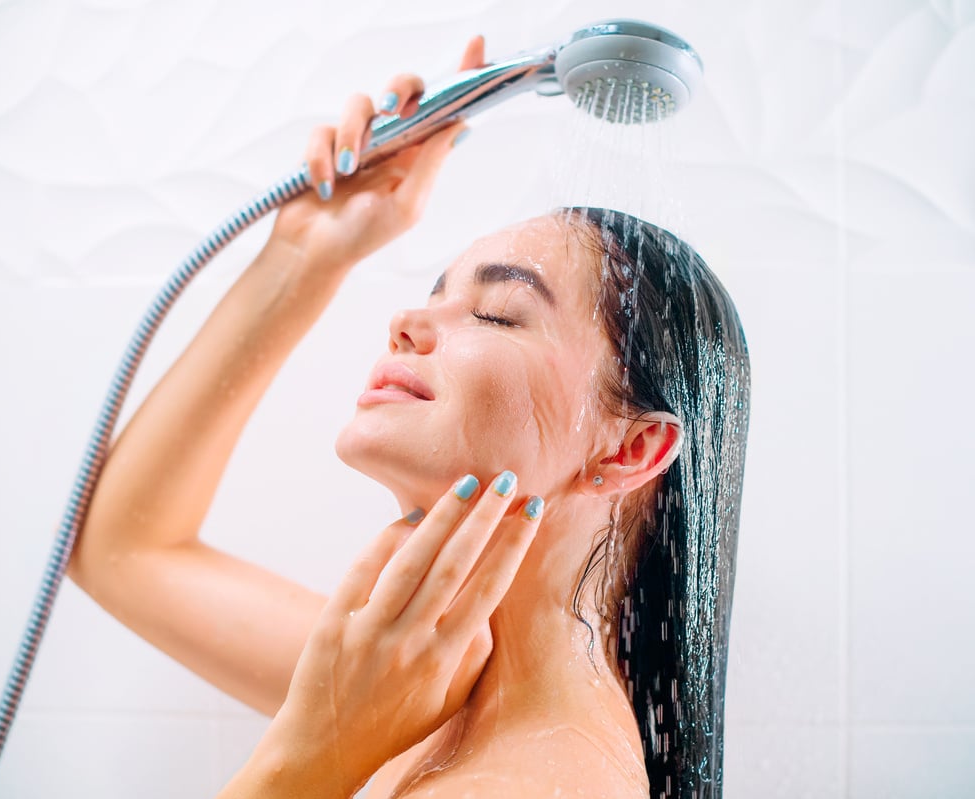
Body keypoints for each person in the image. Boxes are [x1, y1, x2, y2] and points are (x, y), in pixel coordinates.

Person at [68, 36, 750, 799]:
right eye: (434, 293)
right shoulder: (420, 682)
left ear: (630, 448)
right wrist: (304, 257)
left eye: (496, 313)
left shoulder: (535, 783)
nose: (407, 320)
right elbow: (122, 547)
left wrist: (313, 757)